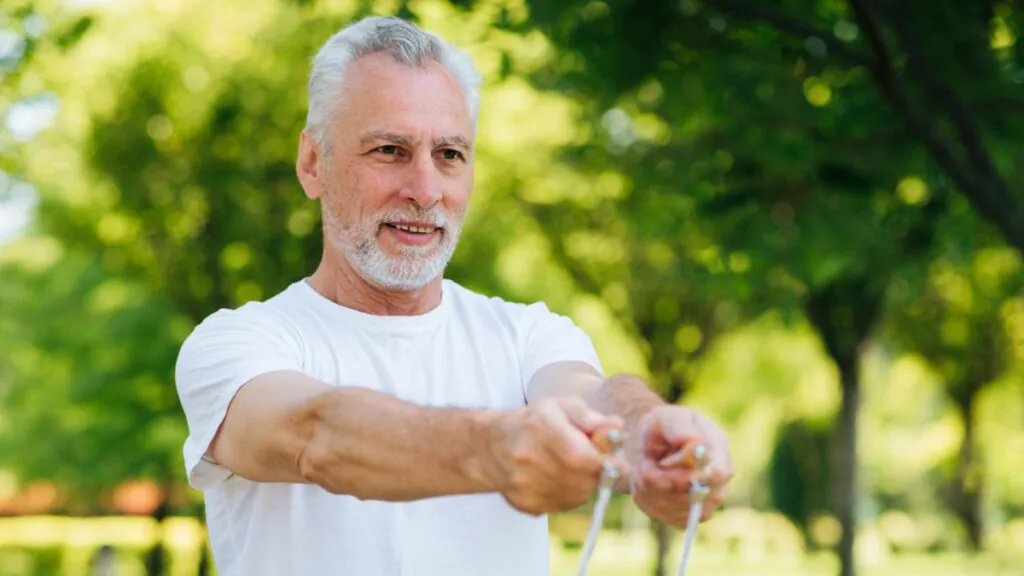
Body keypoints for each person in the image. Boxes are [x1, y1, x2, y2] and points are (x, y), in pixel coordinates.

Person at [175, 15, 734, 576]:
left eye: (449, 155)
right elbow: (315, 436)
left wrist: (652, 438)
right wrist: (492, 448)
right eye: (390, 150)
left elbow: (596, 400)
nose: (425, 191)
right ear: (312, 163)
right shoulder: (237, 344)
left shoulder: (528, 335)